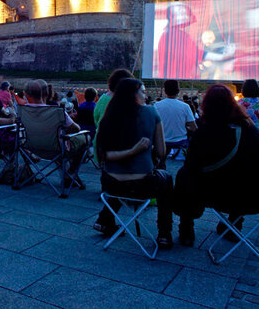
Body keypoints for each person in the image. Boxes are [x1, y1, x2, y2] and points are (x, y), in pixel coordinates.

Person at [173, 84, 259, 246]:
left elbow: (192, 165)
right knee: (244, 176)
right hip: (245, 195)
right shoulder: (249, 129)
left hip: (209, 191)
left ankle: (186, 228)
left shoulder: (204, 131)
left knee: (184, 175)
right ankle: (234, 224)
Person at [94, 78, 173, 249]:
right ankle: (164, 233)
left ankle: (105, 220)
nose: (146, 95)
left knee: (119, 179)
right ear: (133, 94)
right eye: (143, 91)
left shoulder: (108, 116)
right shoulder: (151, 113)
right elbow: (161, 152)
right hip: (143, 186)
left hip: (111, 185)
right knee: (166, 179)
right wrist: (135, 151)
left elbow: (104, 155)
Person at [25, 79, 88, 188]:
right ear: (47, 93)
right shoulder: (56, 111)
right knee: (85, 138)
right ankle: (71, 172)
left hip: (33, 148)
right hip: (56, 148)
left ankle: (65, 173)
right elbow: (76, 129)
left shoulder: (23, 110)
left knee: (59, 141)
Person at [155, 80, 197, 158]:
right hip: (181, 142)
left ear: (164, 91)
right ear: (178, 91)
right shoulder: (185, 106)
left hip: (161, 142)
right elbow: (194, 128)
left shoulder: (156, 106)